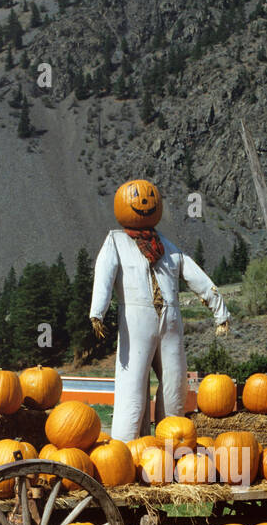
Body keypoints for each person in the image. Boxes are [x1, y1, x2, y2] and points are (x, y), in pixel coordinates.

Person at [90, 179, 230, 443]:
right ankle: (128, 449)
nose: (144, 201)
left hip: (171, 321)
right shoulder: (116, 242)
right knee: (132, 386)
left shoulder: (165, 246)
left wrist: (219, 309)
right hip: (135, 320)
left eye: (150, 196)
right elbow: (104, 276)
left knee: (174, 383)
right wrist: (98, 311)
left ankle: (172, 445)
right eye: (137, 197)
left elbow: (194, 274)